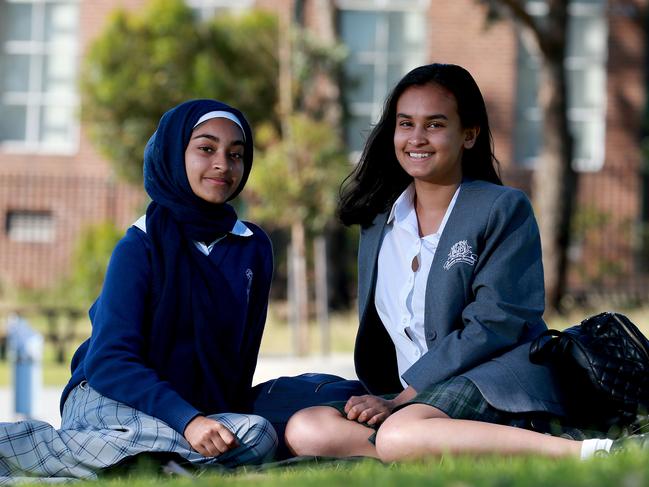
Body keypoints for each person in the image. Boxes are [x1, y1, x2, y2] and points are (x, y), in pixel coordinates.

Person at [284, 63, 642, 461]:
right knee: (307, 428)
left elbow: (496, 323)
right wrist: (397, 397)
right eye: (406, 124)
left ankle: (587, 451)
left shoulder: (501, 208)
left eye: (435, 125)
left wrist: (405, 398)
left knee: (397, 434)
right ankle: (441, 443)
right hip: (420, 395)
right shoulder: (378, 222)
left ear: (468, 135)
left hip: (497, 378)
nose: (416, 138)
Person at [0, 99, 277, 481]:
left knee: (258, 433)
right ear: (174, 153)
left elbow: (241, 359)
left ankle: (92, 467)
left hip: (187, 411)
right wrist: (188, 422)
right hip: (110, 397)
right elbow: (109, 361)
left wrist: (205, 422)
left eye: (236, 154)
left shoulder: (252, 247)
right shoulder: (141, 243)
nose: (222, 164)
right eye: (206, 148)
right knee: (173, 439)